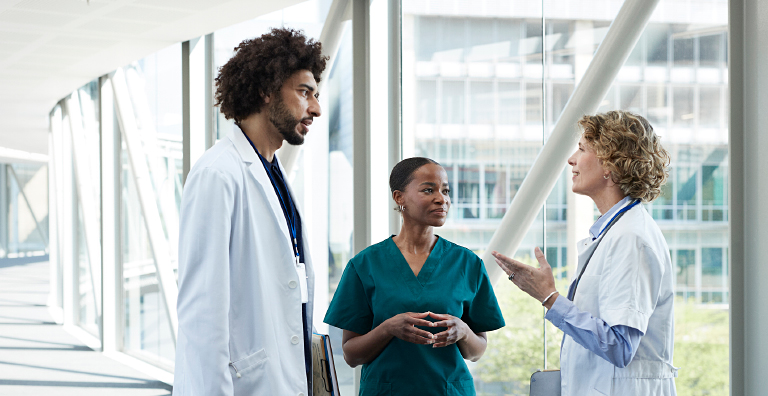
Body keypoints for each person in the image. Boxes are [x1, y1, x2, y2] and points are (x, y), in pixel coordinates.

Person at [173, 28, 327, 396]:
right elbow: (202, 313)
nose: (316, 109)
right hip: (244, 383)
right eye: (304, 92)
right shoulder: (219, 173)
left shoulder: (273, 171)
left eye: (316, 96)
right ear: (267, 90)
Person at [493, 110, 677, 395]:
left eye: (582, 149)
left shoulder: (631, 239)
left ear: (610, 165)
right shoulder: (616, 232)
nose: (571, 159)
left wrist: (549, 297)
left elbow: (619, 346)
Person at [324, 157, 505, 396]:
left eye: (445, 190)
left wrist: (462, 330)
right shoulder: (364, 265)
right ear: (399, 198)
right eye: (428, 190)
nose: (442, 199)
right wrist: (388, 328)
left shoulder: (467, 264)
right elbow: (351, 355)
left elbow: (476, 351)